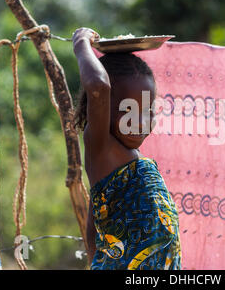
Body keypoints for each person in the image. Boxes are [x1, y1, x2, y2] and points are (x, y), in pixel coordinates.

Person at [72, 27, 181, 270]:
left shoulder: (130, 164)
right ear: (102, 109)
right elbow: (98, 86)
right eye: (129, 110)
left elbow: (95, 224)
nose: (141, 121)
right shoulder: (102, 148)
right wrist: (80, 43)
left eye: (148, 110)